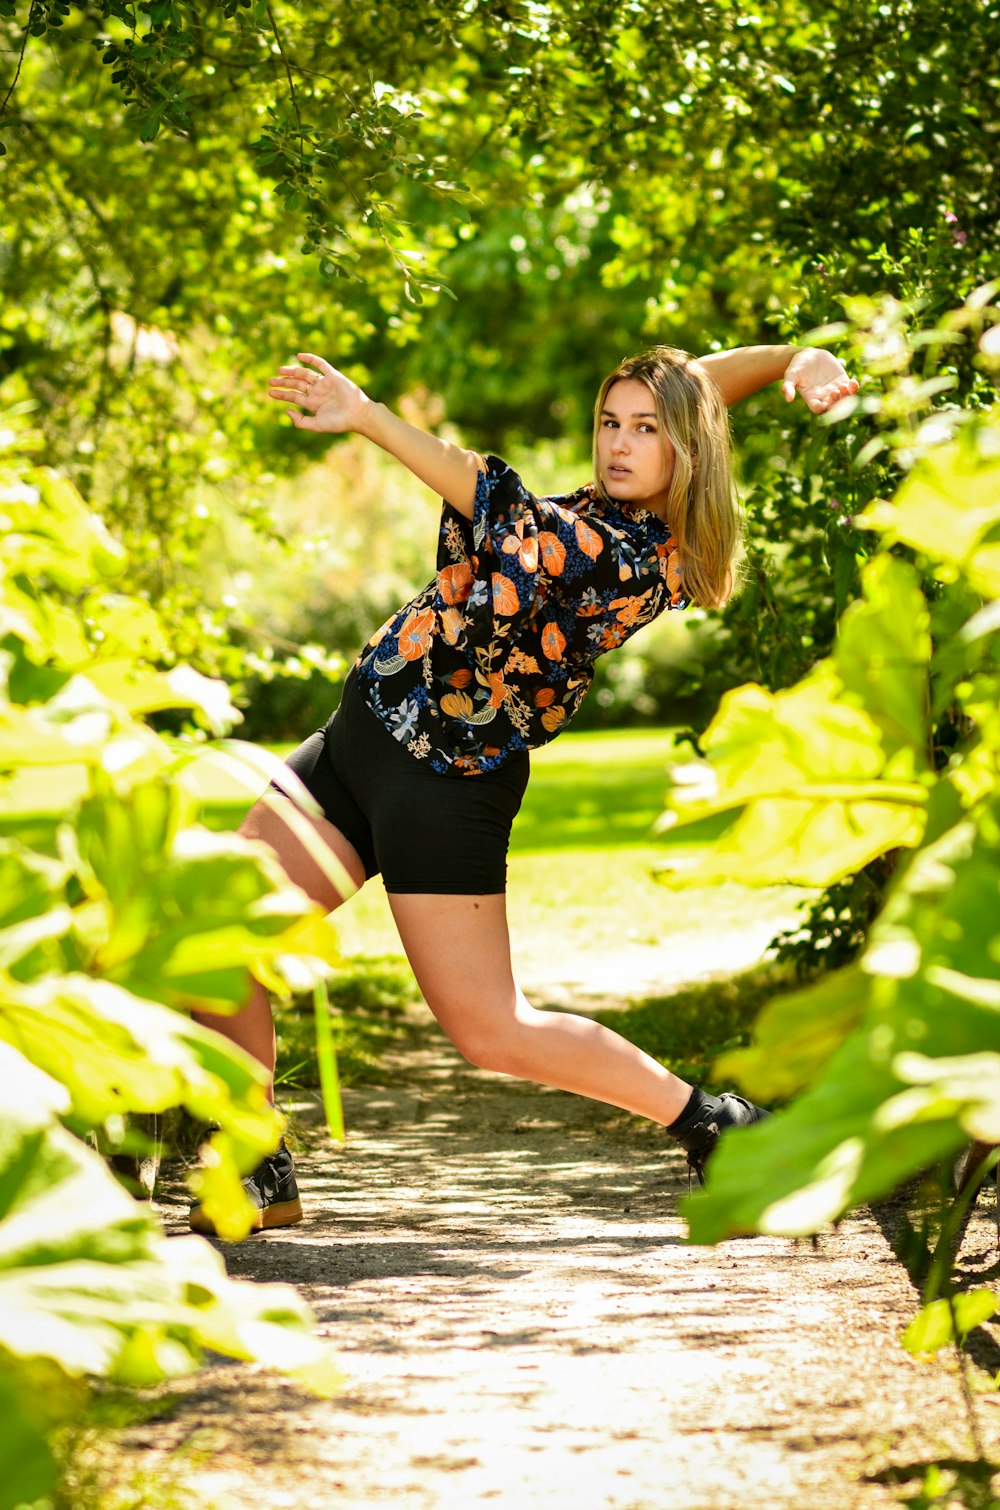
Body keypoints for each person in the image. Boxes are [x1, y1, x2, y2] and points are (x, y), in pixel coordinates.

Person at [189, 340, 858, 1233]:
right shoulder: (613, 497)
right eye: (610, 423)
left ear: (687, 449)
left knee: (492, 1029)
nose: (619, 444)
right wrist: (793, 359)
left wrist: (368, 416)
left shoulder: (623, 555)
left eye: (646, 430)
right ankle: (252, 1161)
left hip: (445, 778)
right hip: (361, 742)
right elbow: (702, 380)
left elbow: (483, 489)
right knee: (214, 931)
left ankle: (716, 1126)